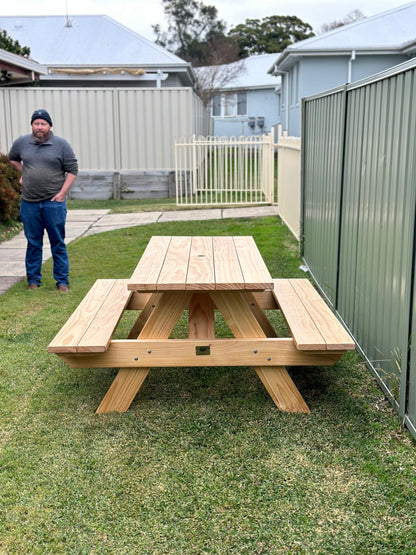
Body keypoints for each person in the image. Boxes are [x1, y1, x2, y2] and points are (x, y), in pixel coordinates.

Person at [8, 109, 78, 292]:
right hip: (29, 203)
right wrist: (24, 173)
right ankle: (33, 281)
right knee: (33, 243)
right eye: (36, 123)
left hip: (53, 203)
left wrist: (62, 193)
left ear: (49, 126)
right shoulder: (22, 143)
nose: (39, 127)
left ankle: (62, 282)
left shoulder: (61, 145)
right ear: (32, 125)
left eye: (43, 124)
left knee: (57, 242)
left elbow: (72, 170)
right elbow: (13, 159)